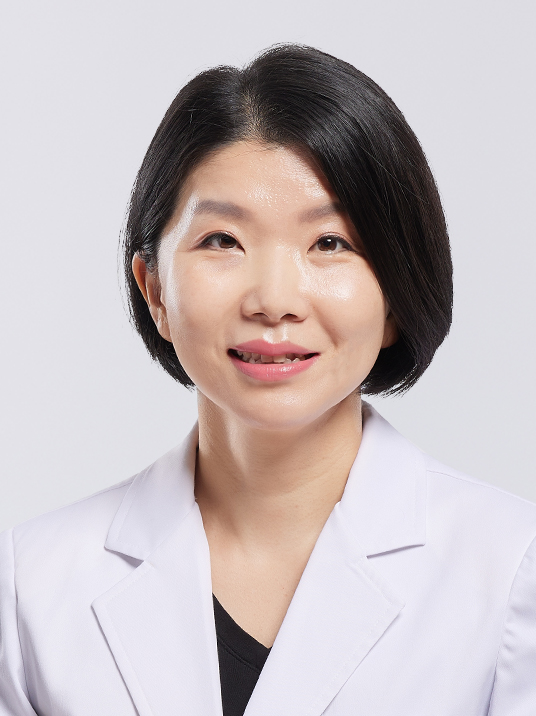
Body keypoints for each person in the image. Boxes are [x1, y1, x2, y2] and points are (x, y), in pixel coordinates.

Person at [0, 44, 535, 716]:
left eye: (330, 243)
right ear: (154, 288)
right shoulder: (32, 586)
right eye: (222, 240)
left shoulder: (512, 570)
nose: (274, 300)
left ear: (396, 296)